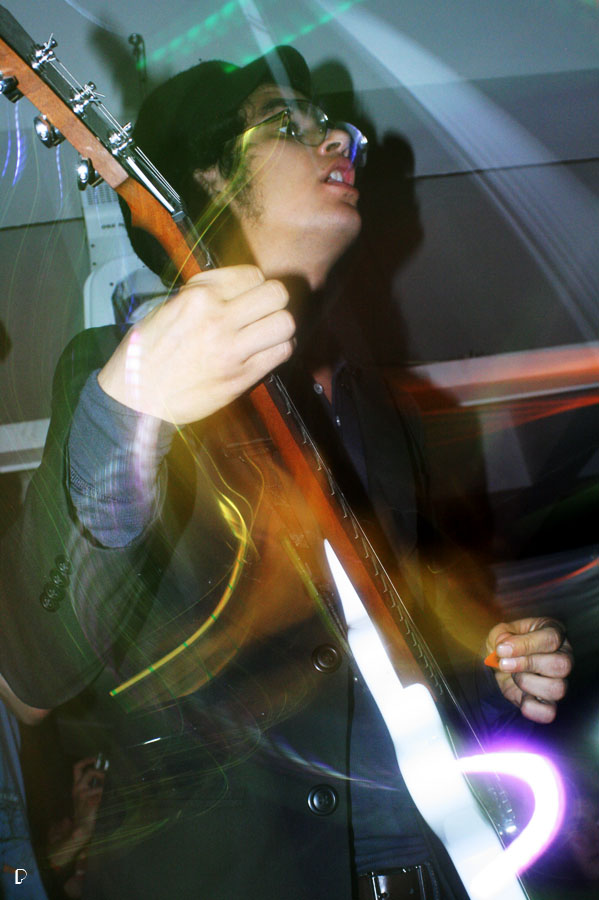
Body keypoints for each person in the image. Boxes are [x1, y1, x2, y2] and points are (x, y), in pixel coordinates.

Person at [0, 47, 573, 899]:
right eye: (287, 124)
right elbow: (29, 681)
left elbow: (381, 652)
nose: (340, 140)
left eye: (336, 128)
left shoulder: (376, 410)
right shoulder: (118, 371)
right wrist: (130, 408)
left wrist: (491, 663)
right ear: (209, 175)